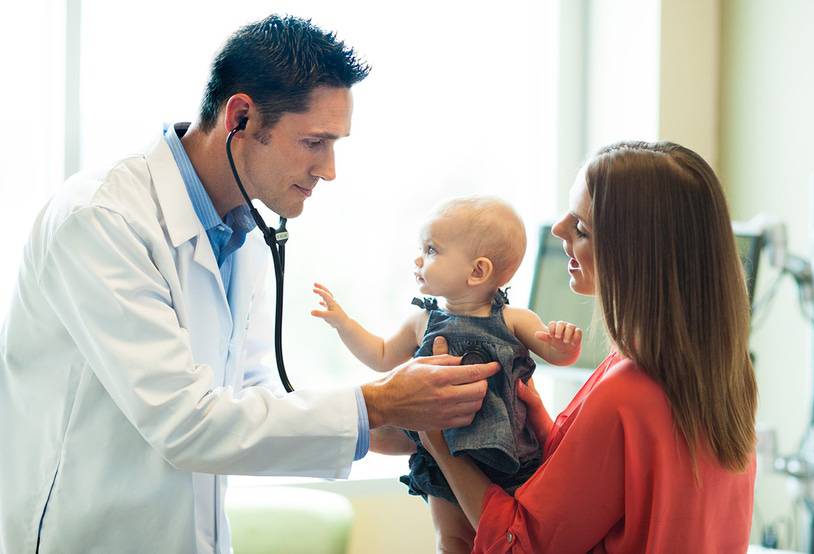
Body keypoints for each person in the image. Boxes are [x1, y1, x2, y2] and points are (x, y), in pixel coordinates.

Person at [0, 15, 500, 554]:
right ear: (240, 116)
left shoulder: (245, 232)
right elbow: (186, 423)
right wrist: (378, 402)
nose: (329, 170)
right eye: (314, 142)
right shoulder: (102, 221)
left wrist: (408, 424)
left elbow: (251, 397)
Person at [418, 141, 759, 553]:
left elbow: (519, 546)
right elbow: (633, 489)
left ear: (634, 254)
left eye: (581, 228)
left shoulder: (627, 390)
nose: (558, 229)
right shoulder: (724, 375)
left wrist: (438, 441)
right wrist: (551, 432)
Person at [311, 196, 583, 553]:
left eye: (432, 250)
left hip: (508, 456)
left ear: (477, 271)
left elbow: (554, 355)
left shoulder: (515, 319)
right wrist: (345, 325)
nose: (418, 259)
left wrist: (565, 345)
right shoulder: (421, 321)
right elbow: (380, 356)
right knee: (452, 540)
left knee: (497, 537)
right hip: (441, 456)